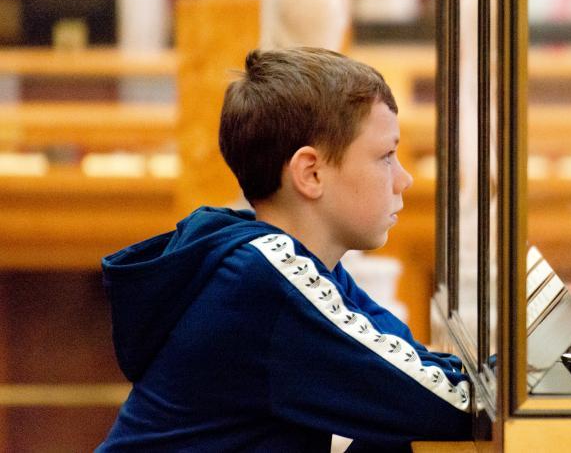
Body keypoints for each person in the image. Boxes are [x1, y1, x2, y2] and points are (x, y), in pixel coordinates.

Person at [97, 48, 471, 452]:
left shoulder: (291, 264)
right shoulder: (265, 278)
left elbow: (405, 366)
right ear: (310, 173)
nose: (404, 180)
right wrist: (533, 369)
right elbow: (452, 403)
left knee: (383, 432)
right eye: (386, 157)